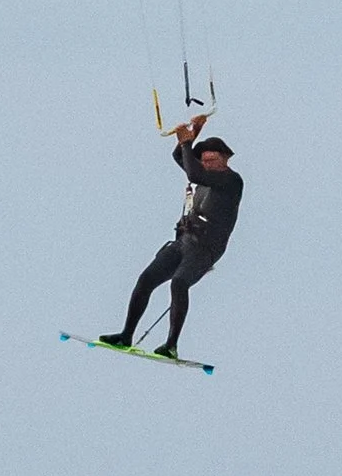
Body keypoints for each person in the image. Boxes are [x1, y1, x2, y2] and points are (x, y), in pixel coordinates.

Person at [103, 112, 242, 358]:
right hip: (184, 242)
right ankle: (126, 335)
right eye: (204, 160)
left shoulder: (232, 181)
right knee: (146, 279)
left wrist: (187, 141)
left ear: (225, 159)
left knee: (179, 283)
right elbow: (180, 157)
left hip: (206, 249)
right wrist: (192, 134)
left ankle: (171, 345)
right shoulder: (205, 176)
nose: (207, 164)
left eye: (212, 160)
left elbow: (193, 174)